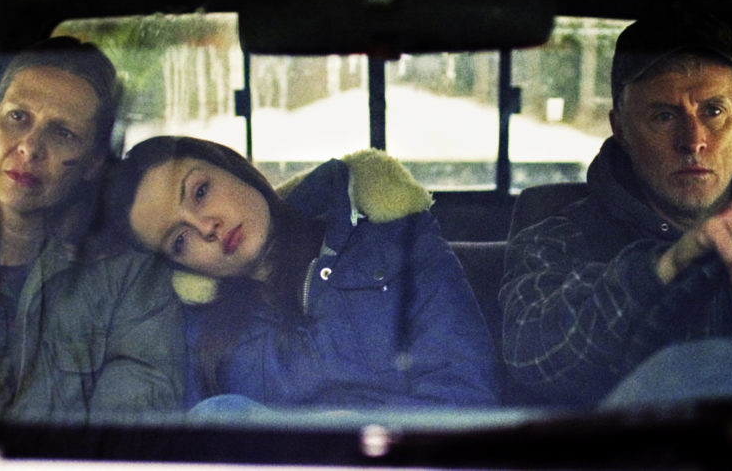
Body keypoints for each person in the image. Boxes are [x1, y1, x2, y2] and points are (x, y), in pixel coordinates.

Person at [106, 136, 499, 412]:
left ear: (231, 166)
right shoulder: (196, 335)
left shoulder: (396, 240)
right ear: (182, 267)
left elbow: (469, 400)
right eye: (179, 240)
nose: (205, 226)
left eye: (200, 191)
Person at [499, 5, 732, 408]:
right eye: (664, 116)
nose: (693, 141)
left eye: (713, 111)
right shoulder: (560, 237)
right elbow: (532, 355)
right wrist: (668, 265)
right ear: (621, 129)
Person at [0, 36, 184, 419]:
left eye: (62, 132)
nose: (30, 147)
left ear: (93, 162)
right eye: (18, 117)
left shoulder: (130, 280)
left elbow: (128, 427)